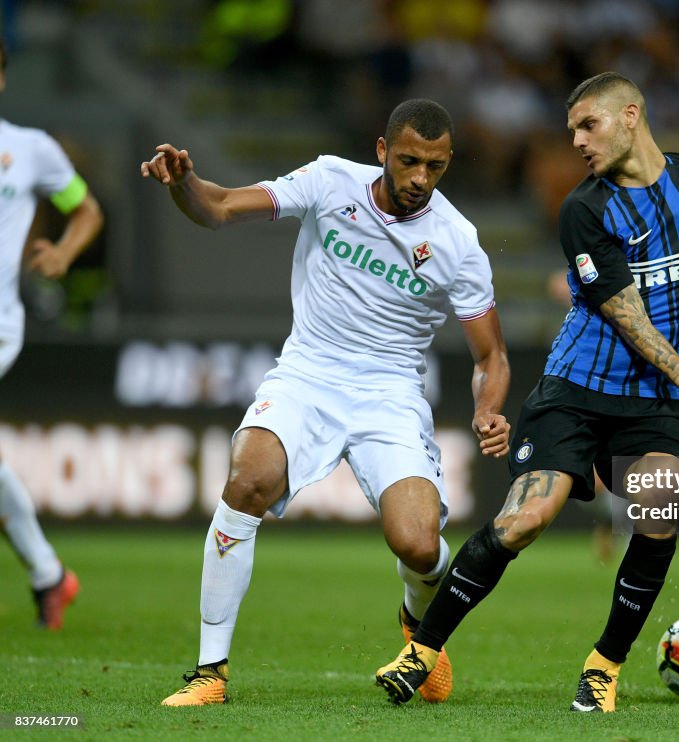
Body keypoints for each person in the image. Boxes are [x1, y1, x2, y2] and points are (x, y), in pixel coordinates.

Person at [376, 72, 679, 712]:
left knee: (659, 506)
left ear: (631, 116)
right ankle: (422, 650)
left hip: (651, 403)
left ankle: (603, 668)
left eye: (588, 126)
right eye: (572, 132)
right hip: (575, 392)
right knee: (523, 521)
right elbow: (627, 317)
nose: (578, 142)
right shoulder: (584, 210)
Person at [141, 99, 511, 706]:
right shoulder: (328, 181)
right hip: (308, 374)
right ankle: (210, 672)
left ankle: (421, 630)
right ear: (383, 150)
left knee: (418, 544)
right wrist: (185, 183)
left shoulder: (458, 241)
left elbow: (490, 357)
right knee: (248, 478)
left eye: (437, 167)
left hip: (390, 393)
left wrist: (486, 410)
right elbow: (220, 207)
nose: (422, 178)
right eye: (411, 161)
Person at [0, 39, 103, 630]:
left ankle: (49, 575)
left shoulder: (29, 150)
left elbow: (85, 208)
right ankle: (49, 575)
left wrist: (63, 252)